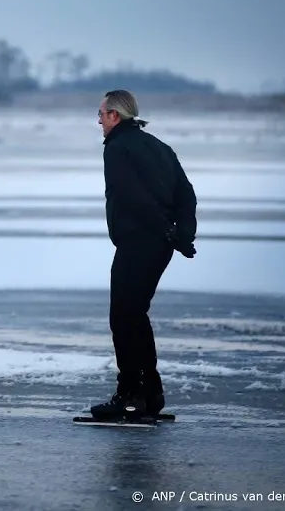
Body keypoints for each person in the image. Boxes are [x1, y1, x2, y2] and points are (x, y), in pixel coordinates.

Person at [92, 90, 197, 420]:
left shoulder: (118, 147)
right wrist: (181, 234)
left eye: (101, 114)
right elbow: (187, 195)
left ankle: (131, 395)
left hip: (140, 241)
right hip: (158, 244)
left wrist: (168, 232)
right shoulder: (159, 147)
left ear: (115, 116)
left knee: (123, 317)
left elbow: (131, 196)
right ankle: (150, 394)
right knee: (135, 315)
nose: (98, 121)